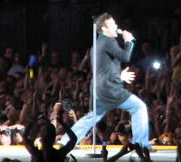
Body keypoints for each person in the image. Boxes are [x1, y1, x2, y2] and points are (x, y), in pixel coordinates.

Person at [58, 13, 152, 150]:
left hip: (99, 86)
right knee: (139, 107)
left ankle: (66, 141)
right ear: (103, 28)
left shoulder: (97, 44)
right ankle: (141, 145)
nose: (116, 26)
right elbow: (125, 57)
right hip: (108, 87)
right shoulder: (108, 41)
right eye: (112, 24)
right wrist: (128, 42)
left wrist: (120, 76)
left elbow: (103, 69)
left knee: (93, 116)